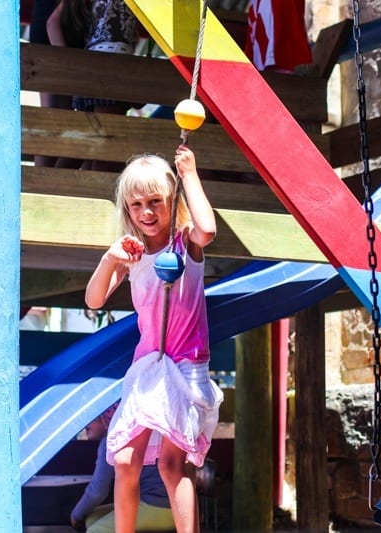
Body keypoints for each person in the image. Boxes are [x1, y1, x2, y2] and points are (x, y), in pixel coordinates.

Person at [85, 145, 222, 533]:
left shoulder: (185, 244)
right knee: (126, 459)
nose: (146, 212)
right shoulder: (132, 254)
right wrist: (110, 259)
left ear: (171, 200)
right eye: (136, 205)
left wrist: (190, 173)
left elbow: (208, 229)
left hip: (184, 366)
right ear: (127, 210)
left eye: (155, 201)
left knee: (170, 464)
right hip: (148, 368)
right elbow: (94, 300)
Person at [46, 0, 138, 171]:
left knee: (87, 143)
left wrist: (68, 65)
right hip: (112, 68)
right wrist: (67, 65)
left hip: (97, 65)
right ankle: (52, 187)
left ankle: (50, 186)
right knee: (105, 145)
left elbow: (52, 22)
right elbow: (52, 22)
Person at [70, 402, 174, 532]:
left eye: (90, 420)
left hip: (156, 506)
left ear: (105, 418)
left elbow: (97, 492)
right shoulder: (135, 430)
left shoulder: (112, 440)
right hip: (170, 507)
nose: (85, 426)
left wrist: (75, 515)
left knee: (94, 531)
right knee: (92, 518)